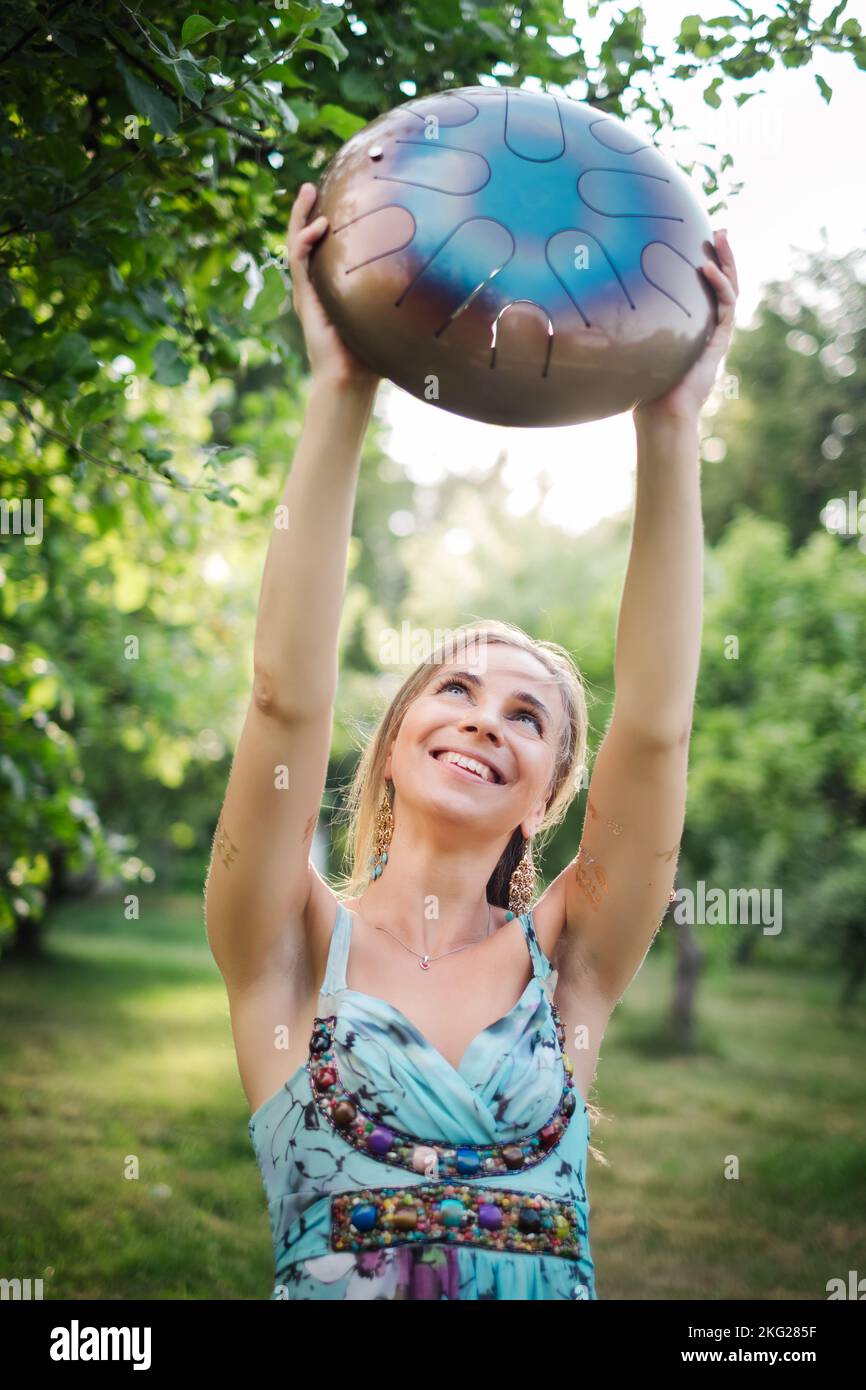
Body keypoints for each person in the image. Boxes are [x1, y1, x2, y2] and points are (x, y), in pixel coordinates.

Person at [205, 182, 738, 1300]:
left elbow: (654, 724)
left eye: (526, 715)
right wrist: (340, 391)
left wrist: (671, 429)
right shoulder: (290, 948)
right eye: (454, 688)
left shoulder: (574, 966)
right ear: (395, 741)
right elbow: (279, 700)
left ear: (546, 795)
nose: (485, 719)